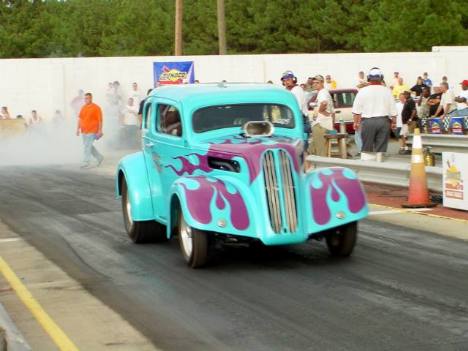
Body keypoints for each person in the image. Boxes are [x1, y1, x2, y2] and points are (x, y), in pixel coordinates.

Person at [352, 67, 397, 162]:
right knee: (380, 149)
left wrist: (356, 123)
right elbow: (393, 110)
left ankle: (367, 168)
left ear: (368, 78)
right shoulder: (387, 91)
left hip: (367, 122)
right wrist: (394, 122)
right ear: (381, 78)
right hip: (383, 121)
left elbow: (356, 111)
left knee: (367, 149)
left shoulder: (362, 91)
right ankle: (379, 165)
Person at [309, 75, 334, 157]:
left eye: (317, 83)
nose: (315, 85)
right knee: (312, 150)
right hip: (322, 123)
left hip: (320, 125)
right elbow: (332, 112)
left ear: (322, 83)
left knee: (320, 151)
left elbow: (324, 103)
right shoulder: (322, 92)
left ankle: (322, 167)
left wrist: (320, 111)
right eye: (314, 83)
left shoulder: (322, 92)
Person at [76, 93, 104, 169]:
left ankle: (86, 162)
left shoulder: (96, 108)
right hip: (84, 130)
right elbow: (80, 119)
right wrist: (77, 129)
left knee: (87, 146)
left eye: (88, 98)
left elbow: (100, 120)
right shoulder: (83, 107)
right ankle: (99, 157)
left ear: (91, 98)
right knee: (88, 146)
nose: (86, 100)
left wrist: (100, 130)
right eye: (85, 98)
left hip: (92, 130)